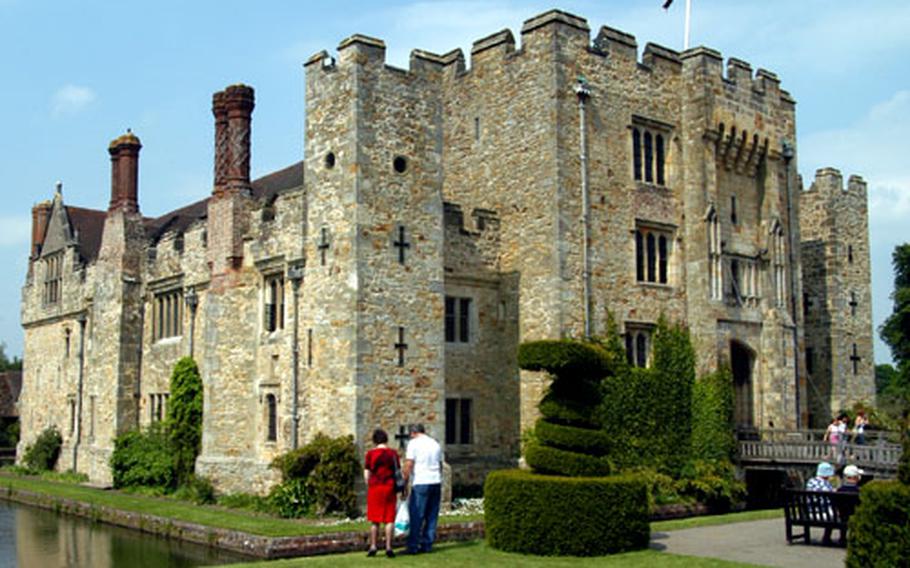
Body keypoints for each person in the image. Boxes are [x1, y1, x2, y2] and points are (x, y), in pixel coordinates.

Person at [403, 423, 442, 554]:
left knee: (417, 514)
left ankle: (413, 546)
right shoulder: (435, 443)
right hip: (436, 481)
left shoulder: (414, 444)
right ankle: (427, 545)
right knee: (432, 515)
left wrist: (404, 483)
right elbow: (440, 464)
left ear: (413, 433)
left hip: (421, 481)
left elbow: (409, 464)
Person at [363, 428, 400, 558]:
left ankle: (373, 546)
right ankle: (389, 547)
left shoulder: (370, 454)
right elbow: (397, 471)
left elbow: (367, 473)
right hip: (389, 487)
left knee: (375, 519)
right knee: (389, 518)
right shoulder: (393, 454)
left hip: (375, 487)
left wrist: (369, 484)